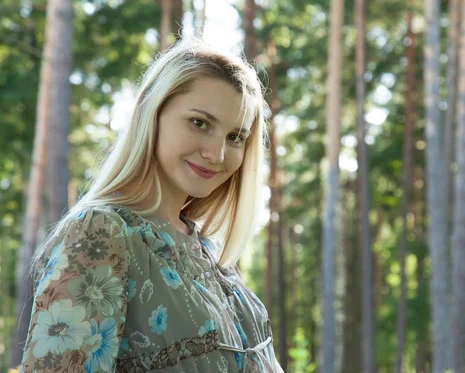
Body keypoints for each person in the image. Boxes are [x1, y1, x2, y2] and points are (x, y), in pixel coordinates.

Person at [19, 39, 284, 373]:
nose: (216, 154)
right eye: (199, 123)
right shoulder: (100, 233)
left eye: (235, 137)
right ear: (152, 113)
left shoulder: (208, 250)